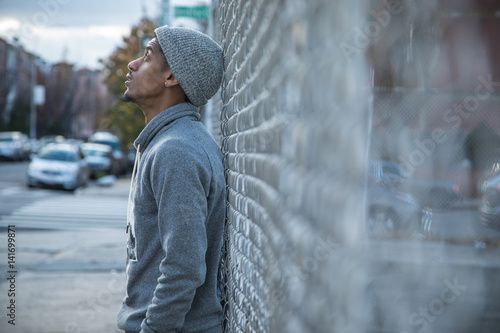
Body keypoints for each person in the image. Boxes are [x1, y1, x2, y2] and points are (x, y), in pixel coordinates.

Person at [116, 26, 226, 333]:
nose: (133, 64)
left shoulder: (175, 151)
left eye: (148, 55)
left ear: (171, 77)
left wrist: (153, 329)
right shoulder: (170, 142)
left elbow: (184, 266)